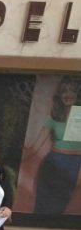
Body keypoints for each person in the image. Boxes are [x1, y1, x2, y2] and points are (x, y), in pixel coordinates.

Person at [29, 77, 81, 214]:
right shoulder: (55, 116)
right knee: (41, 207)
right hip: (52, 164)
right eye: (64, 91)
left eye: (72, 91)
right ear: (60, 94)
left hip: (73, 166)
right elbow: (36, 146)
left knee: (58, 208)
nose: (67, 95)